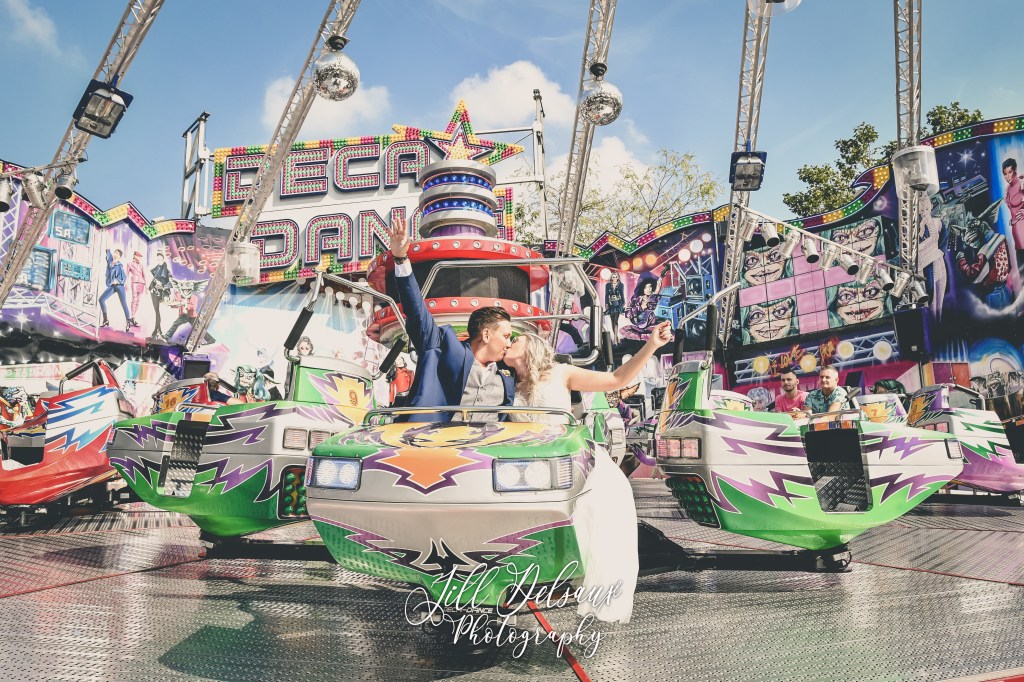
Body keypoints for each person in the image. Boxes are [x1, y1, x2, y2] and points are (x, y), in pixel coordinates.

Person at [500, 323, 670, 626]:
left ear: (532, 346)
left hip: (569, 459)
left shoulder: (561, 373)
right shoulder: (505, 382)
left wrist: (652, 344)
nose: (509, 342)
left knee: (593, 521)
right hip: (531, 468)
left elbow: (617, 379)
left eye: (515, 339)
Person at [387, 216, 515, 423]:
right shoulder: (444, 347)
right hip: (437, 438)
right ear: (486, 334)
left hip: (489, 442)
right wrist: (401, 259)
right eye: (506, 336)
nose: (509, 344)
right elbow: (417, 311)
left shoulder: (507, 373)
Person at [98, 249, 132, 332]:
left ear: (119, 256)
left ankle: (128, 322)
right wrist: (107, 250)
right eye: (115, 252)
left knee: (123, 304)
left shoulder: (119, 266)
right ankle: (105, 320)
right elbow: (108, 254)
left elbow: (124, 277)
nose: (115, 254)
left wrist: (117, 281)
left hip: (120, 286)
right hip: (112, 286)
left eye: (117, 253)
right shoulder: (110, 262)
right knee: (101, 299)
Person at [1003, 158, 1024, 256]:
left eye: (1010, 172)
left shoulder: (1022, 183)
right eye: (1005, 174)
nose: (1007, 176)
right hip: (1015, 230)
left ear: (1014, 170)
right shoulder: (1008, 189)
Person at [149, 252, 171, 341]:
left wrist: (165, 292)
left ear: (164, 260)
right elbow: (153, 279)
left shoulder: (166, 271)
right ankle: (158, 330)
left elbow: (169, 284)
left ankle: (157, 331)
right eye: (158, 260)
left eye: (161, 259)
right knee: (156, 312)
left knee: (157, 312)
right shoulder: (156, 268)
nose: (159, 261)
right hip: (153, 292)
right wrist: (152, 286)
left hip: (161, 293)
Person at [125, 250, 146, 329]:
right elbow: (126, 275)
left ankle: (133, 317)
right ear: (134, 256)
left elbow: (145, 275)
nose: (139, 257)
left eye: (140, 256)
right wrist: (125, 283)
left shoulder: (141, 265)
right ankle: (132, 317)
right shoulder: (129, 264)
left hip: (141, 283)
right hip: (134, 282)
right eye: (138, 256)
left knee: (138, 301)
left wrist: (146, 286)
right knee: (134, 299)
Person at [604, 271, 625, 345]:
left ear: (618, 277)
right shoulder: (608, 285)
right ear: (611, 278)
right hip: (611, 305)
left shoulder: (621, 285)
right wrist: (606, 304)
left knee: (615, 321)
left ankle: (615, 338)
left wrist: (622, 304)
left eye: (616, 277)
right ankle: (616, 337)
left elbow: (622, 294)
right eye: (613, 277)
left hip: (618, 305)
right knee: (612, 321)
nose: (615, 278)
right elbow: (606, 295)